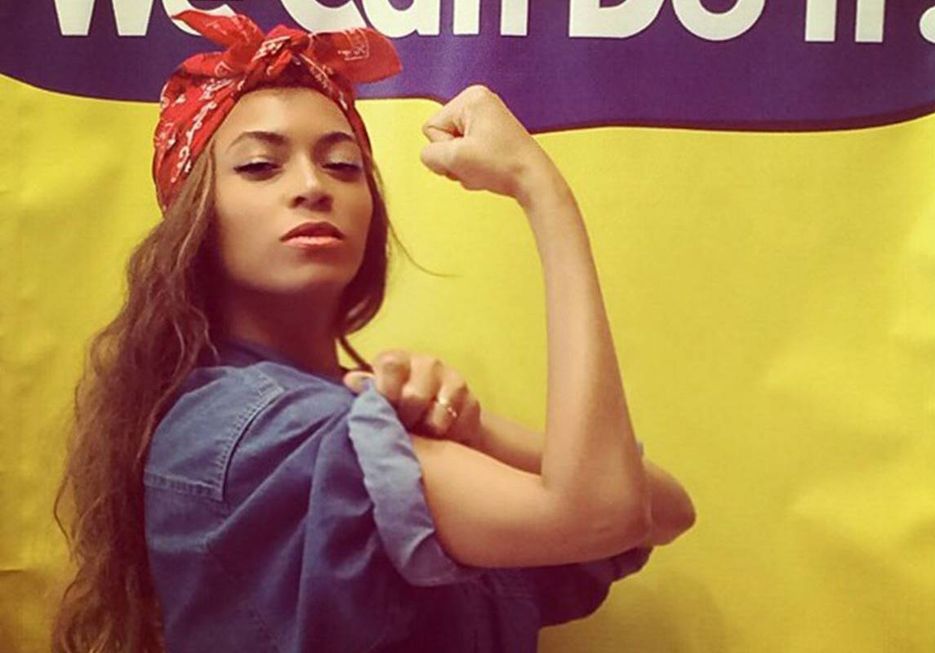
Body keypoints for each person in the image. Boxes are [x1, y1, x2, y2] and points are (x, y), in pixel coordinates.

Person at [51, 9, 696, 653]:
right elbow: (602, 512)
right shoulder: (247, 430)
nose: (312, 186)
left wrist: (472, 431)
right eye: (260, 166)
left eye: (342, 164)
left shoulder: (358, 418)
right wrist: (542, 189)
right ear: (196, 216)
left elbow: (663, 510)